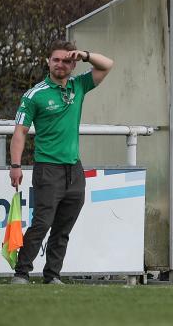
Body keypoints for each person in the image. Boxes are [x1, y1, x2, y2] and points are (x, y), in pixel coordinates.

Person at [9, 40, 113, 284]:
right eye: (56, 59)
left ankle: (52, 274)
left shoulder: (79, 85)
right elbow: (20, 132)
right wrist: (15, 166)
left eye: (66, 60)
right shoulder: (35, 94)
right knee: (42, 224)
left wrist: (86, 54)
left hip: (74, 169)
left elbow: (107, 65)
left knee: (63, 227)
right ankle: (21, 273)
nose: (60, 64)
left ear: (73, 64)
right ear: (48, 62)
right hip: (48, 168)